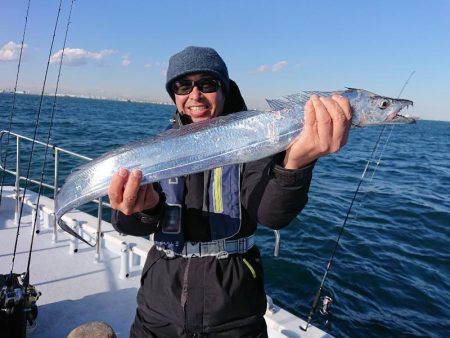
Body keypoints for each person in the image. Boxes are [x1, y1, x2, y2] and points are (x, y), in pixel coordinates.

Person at [108, 46, 352, 338]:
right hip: (158, 309)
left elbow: (272, 215)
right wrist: (143, 210)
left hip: (234, 312)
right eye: (183, 85)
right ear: (174, 94)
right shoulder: (156, 150)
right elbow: (125, 224)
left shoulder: (256, 141)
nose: (195, 95)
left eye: (207, 84)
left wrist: (296, 165)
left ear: (224, 89)